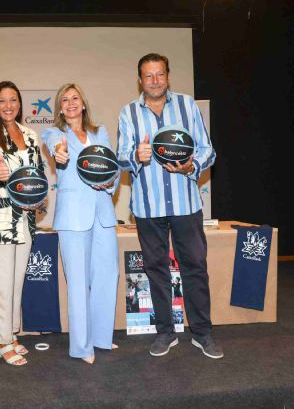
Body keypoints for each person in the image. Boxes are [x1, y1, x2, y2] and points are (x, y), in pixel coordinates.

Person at [116, 53, 223, 359]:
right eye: (148, 76)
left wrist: (192, 166)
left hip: (185, 204)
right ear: (140, 80)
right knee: (156, 271)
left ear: (168, 76)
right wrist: (137, 155)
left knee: (195, 268)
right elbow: (121, 156)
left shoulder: (187, 105)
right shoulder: (128, 113)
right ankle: (165, 332)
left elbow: (208, 151)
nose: (154, 81)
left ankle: (202, 333)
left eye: (159, 74)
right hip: (148, 208)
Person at [42, 83, 120, 364]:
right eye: (65, 99)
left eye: (75, 98)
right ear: (60, 108)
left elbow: (113, 165)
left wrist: (111, 181)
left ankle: (100, 337)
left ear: (83, 103)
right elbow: (56, 149)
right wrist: (59, 153)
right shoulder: (55, 134)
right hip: (73, 215)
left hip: (103, 212)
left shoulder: (101, 133)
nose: (71, 102)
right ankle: (82, 346)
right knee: (78, 282)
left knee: (107, 275)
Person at [0, 81, 44, 366]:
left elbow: (40, 175)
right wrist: (1, 170)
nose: (9, 106)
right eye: (3, 101)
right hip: (1, 221)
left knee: (17, 283)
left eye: (14, 100)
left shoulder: (30, 135)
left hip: (26, 220)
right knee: (2, 284)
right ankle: (2, 340)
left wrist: (40, 201)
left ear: (20, 104)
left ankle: (11, 334)